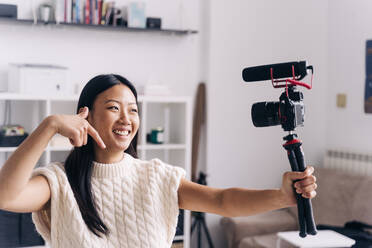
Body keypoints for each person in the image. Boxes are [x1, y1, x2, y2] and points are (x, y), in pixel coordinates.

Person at [0, 74, 317, 248]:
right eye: (113, 107)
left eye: (133, 109)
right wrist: (50, 125)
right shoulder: (59, 181)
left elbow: (223, 200)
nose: (127, 118)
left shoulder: (157, 177)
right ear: (85, 114)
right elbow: (6, 195)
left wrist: (281, 197)